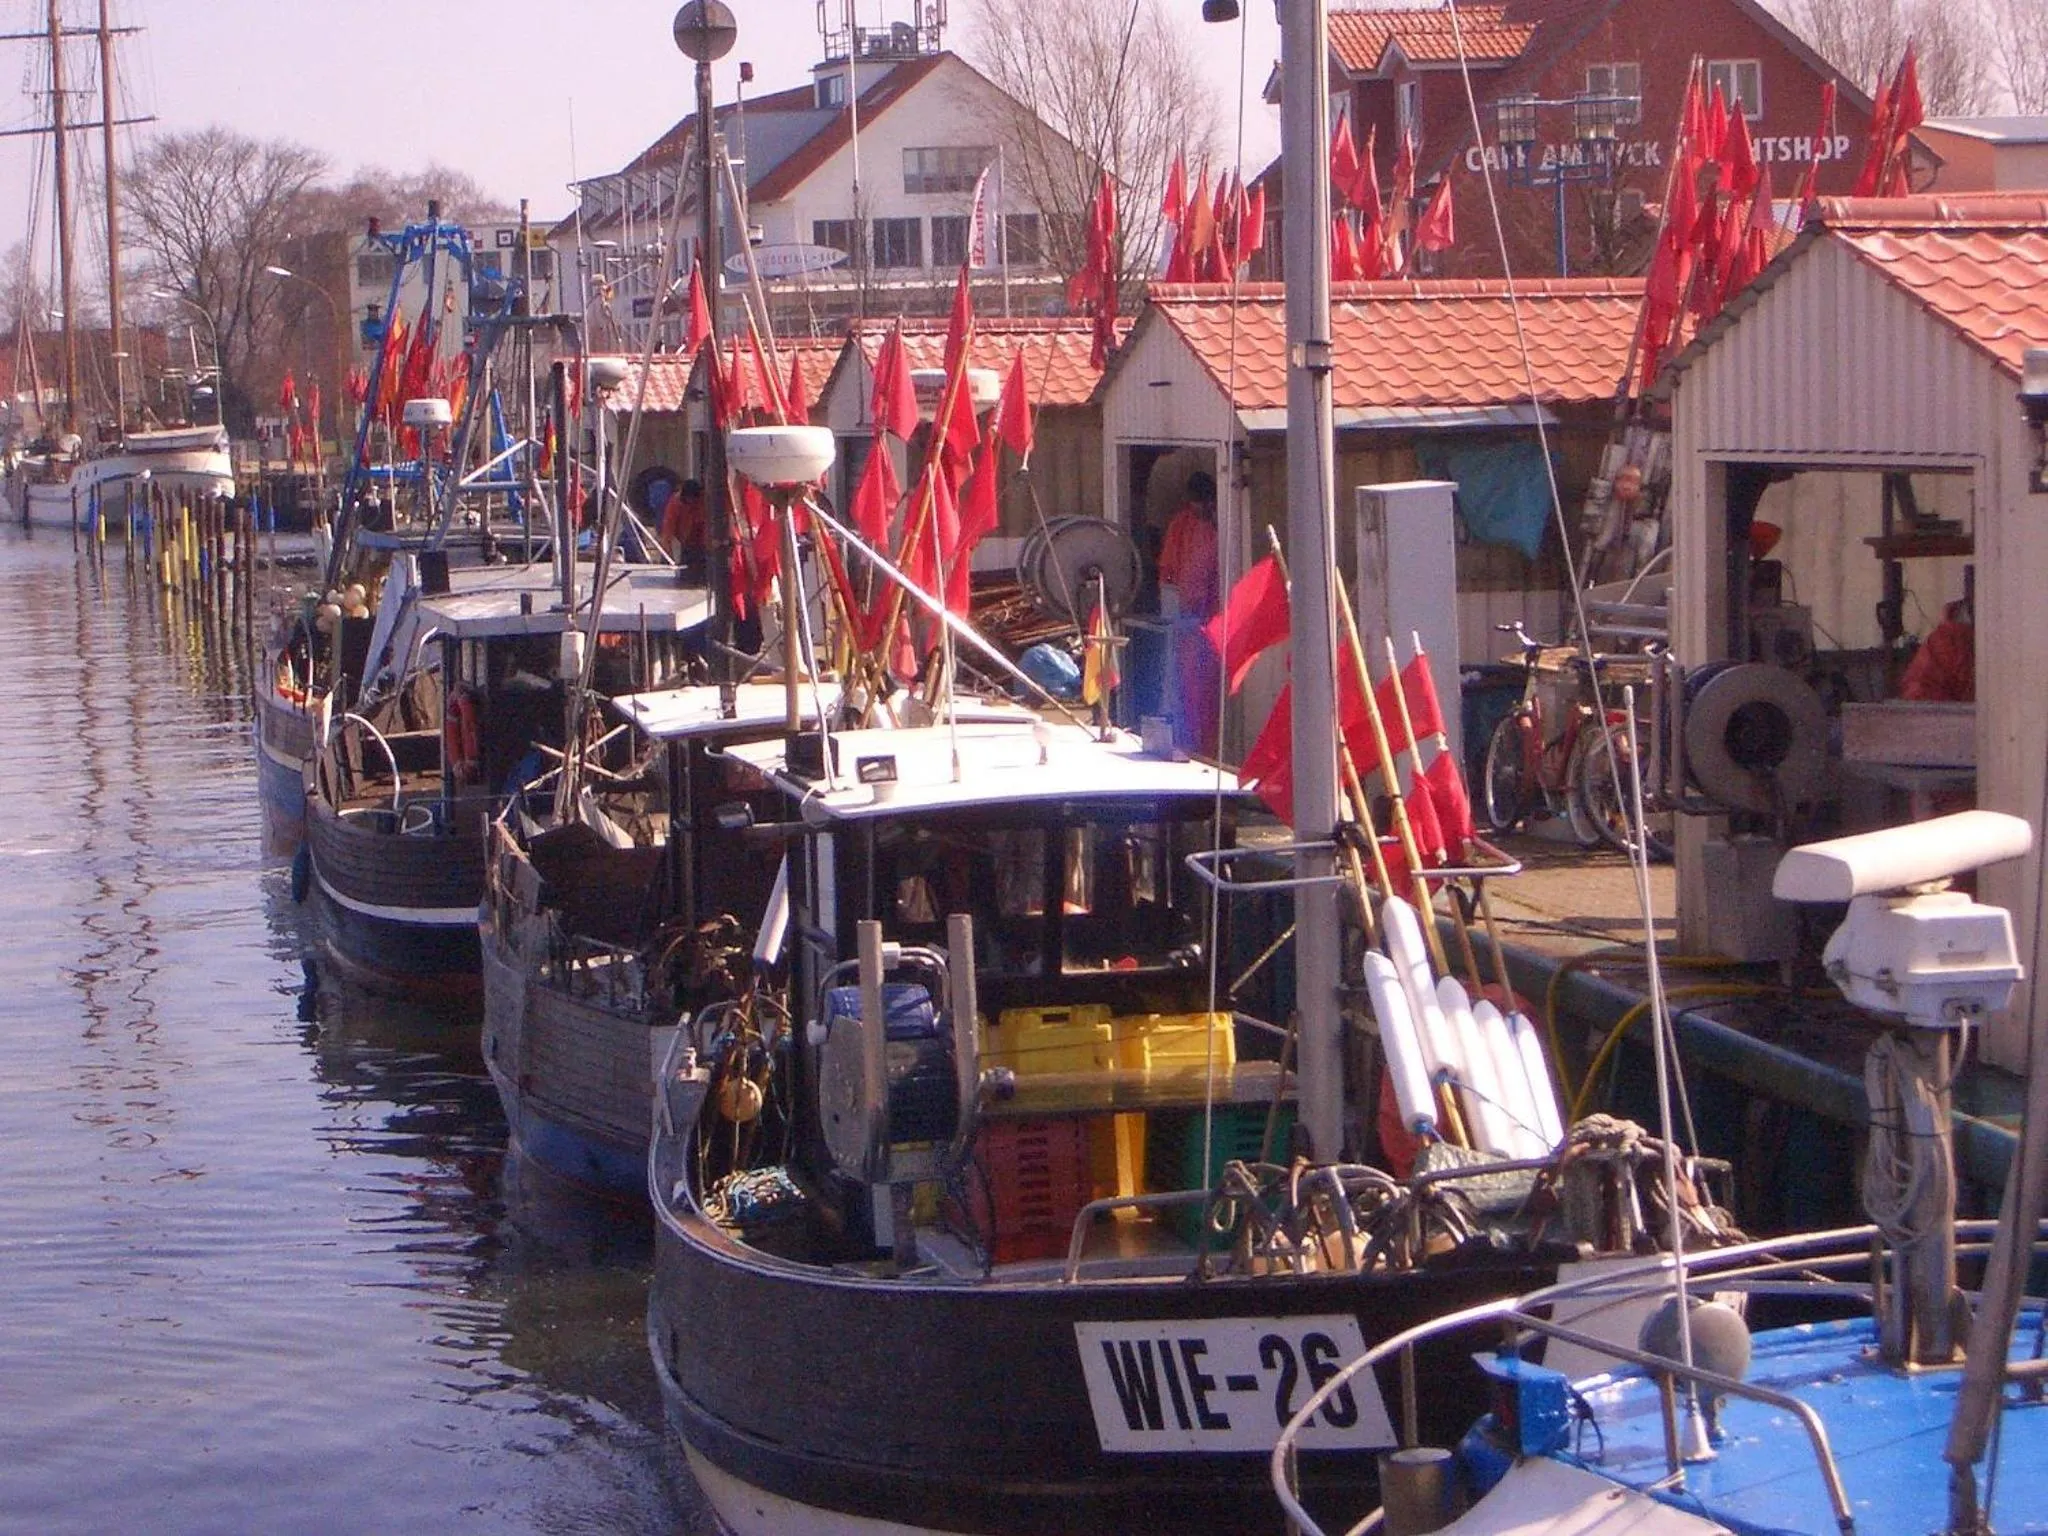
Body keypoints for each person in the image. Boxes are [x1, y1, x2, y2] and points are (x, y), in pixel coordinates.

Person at [1157, 469, 1221, 757]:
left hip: (1217, 622)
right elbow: (1168, 575)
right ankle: (1191, 748)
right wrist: (1179, 616)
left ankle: (1208, 749)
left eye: (1206, 502)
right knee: (1188, 691)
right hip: (1189, 625)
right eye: (1199, 503)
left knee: (1212, 695)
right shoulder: (1181, 527)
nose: (1203, 508)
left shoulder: (1221, 525)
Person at [660, 478, 707, 571]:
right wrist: (669, 558)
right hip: (684, 541)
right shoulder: (675, 504)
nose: (691, 503)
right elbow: (667, 533)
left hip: (703, 542)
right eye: (688, 500)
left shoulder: (705, 501)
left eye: (694, 500)